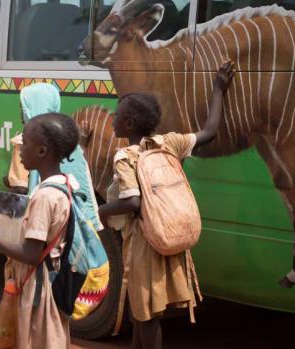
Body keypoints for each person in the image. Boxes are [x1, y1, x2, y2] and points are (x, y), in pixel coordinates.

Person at [99, 61, 235, 349]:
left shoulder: (125, 158)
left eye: (117, 116)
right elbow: (209, 131)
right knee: (142, 312)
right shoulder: (168, 143)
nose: (112, 119)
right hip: (167, 235)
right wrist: (218, 89)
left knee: (147, 317)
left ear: (129, 124)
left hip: (143, 244)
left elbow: (132, 201)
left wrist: (100, 211)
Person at [0, 113, 80, 349]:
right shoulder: (62, 184)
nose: (19, 150)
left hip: (37, 288)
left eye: (24, 143)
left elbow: (31, 254)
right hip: (47, 279)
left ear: (42, 151)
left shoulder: (45, 197)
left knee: (35, 339)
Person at [5, 82, 102, 231]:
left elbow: (20, 191)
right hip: (76, 227)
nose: (20, 112)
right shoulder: (70, 144)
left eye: (23, 107)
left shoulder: (24, 144)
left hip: (42, 231)